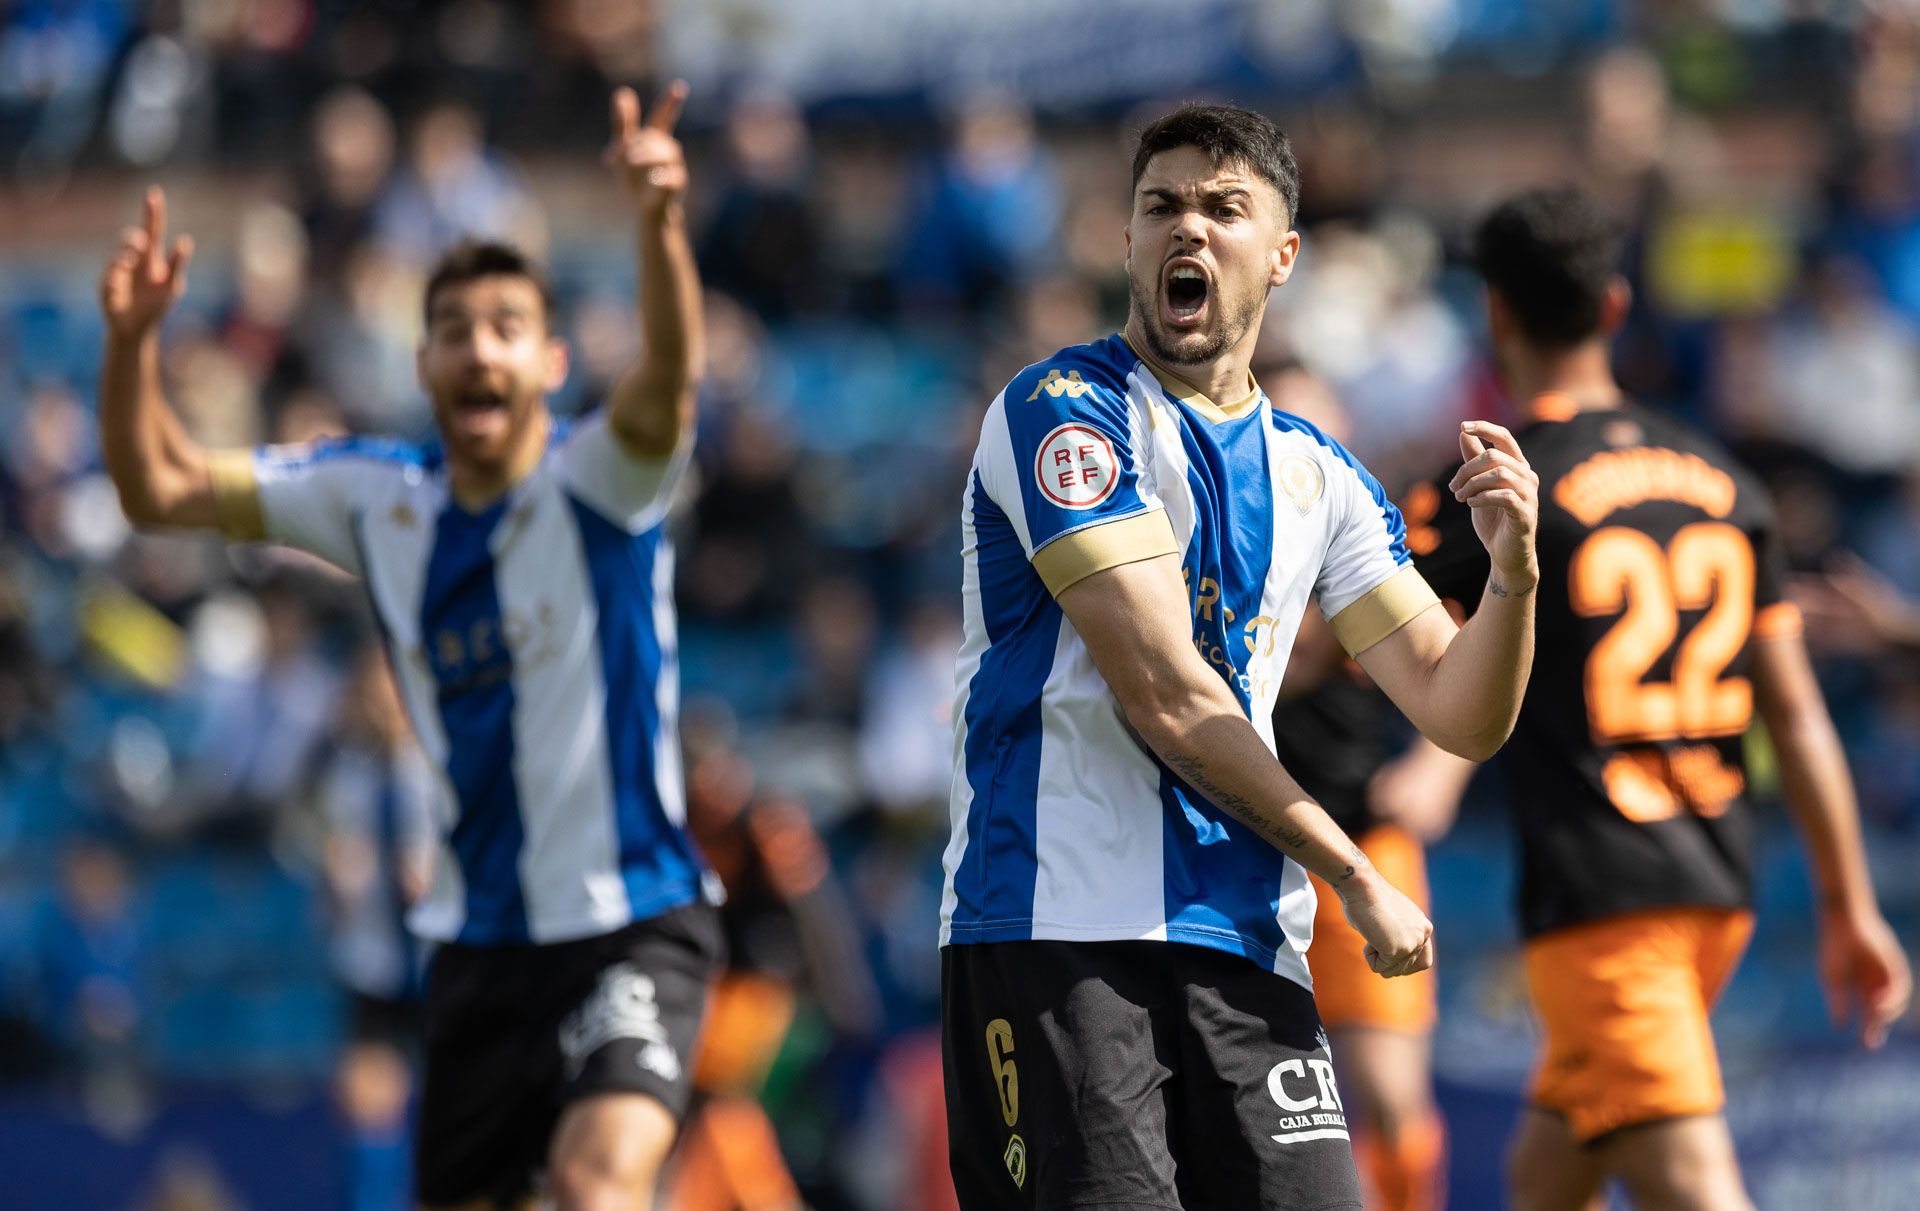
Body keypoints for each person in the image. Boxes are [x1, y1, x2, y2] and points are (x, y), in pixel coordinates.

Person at [96, 83, 720, 1211]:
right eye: (452, 331)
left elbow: (671, 382)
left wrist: (658, 225)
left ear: (550, 361)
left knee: (598, 1183)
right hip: (478, 950)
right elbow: (158, 486)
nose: (478, 349)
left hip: (631, 919)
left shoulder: (603, 482)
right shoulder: (378, 501)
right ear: (423, 362)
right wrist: (133, 343)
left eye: (504, 328)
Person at [940, 103, 1543, 1210]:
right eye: (1160, 205)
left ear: (1282, 254)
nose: (1189, 230)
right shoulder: (1063, 415)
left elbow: (1462, 710)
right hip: (1060, 932)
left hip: (1248, 945)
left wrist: (1513, 578)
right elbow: (1166, 697)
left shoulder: (1319, 474)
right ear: (1125, 242)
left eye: (1224, 207)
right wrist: (1353, 870)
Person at [1403, 185, 1912, 1211]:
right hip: (1718, 883)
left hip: (1603, 900)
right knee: (1546, 1178)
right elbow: (1800, 715)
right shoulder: (1727, 482)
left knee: (1696, 1190)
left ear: (1495, 311)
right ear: (1619, 307)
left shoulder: (1487, 489)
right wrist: (1847, 902)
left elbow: (1401, 659)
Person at [1263, 361, 1454, 1211]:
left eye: (1319, 419)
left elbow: (1466, 656)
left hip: (1365, 840)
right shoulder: (1216, 520)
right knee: (1285, 1103)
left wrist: (1437, 766)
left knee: (1389, 1095)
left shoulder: (1382, 524)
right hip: (1245, 843)